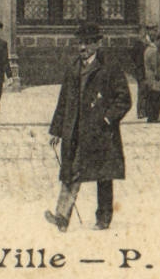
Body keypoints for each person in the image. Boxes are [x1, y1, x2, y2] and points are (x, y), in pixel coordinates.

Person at [45, 22, 131, 232]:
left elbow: (124, 99)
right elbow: (63, 99)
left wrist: (107, 119)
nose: (82, 48)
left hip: (100, 132)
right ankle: (62, 217)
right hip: (75, 130)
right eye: (80, 43)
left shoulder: (110, 66)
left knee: (103, 176)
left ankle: (103, 218)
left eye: (87, 43)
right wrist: (57, 129)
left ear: (97, 44)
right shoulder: (74, 67)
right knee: (70, 171)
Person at [142, 26, 160, 123]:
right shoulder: (153, 50)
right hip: (154, 78)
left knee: (152, 96)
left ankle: (152, 116)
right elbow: (155, 65)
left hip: (149, 77)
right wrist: (159, 75)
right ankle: (153, 117)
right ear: (157, 41)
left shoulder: (148, 49)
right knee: (156, 97)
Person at [126, 32, 148, 119]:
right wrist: (137, 65)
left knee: (145, 90)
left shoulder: (144, 44)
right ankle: (141, 112)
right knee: (142, 90)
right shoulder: (139, 45)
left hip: (144, 69)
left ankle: (145, 110)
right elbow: (132, 55)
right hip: (141, 70)